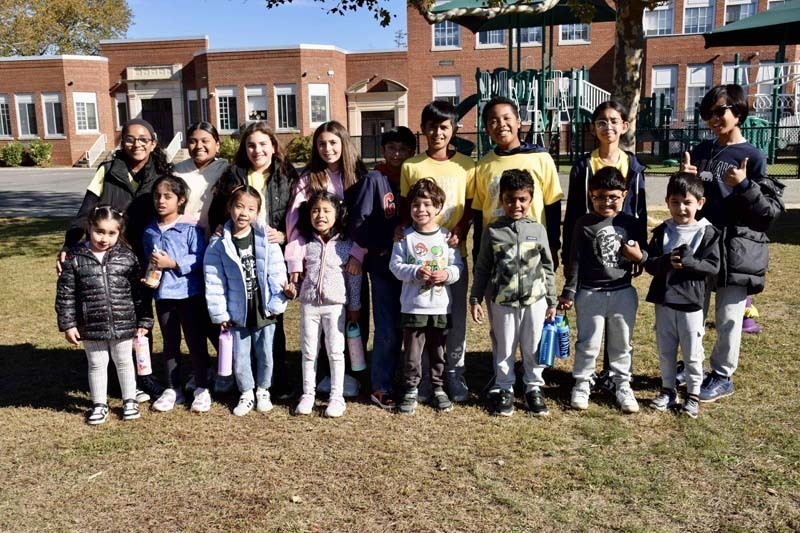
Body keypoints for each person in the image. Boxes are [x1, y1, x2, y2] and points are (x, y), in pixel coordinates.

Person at [56, 118, 172, 402]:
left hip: (149, 257)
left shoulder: (163, 173)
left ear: (153, 143)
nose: (137, 144)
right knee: (120, 316)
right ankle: (120, 381)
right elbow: (86, 211)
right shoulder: (107, 171)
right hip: (112, 258)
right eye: (130, 138)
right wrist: (68, 245)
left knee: (142, 319)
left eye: (143, 139)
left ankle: (143, 377)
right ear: (122, 142)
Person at [681, 84, 784, 402]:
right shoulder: (700, 151)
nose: (713, 119)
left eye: (719, 111)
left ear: (737, 112)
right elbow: (689, 199)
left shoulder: (753, 156)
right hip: (702, 242)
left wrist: (744, 185)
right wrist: (685, 179)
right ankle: (693, 364)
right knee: (693, 310)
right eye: (708, 113)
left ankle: (722, 375)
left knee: (727, 316)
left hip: (736, 247)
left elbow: (767, 213)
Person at [208, 121, 297, 398]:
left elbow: (297, 216)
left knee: (272, 318)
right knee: (242, 318)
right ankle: (243, 380)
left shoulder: (287, 175)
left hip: (272, 256)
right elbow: (217, 214)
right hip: (240, 253)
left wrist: (284, 236)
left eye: (262, 144)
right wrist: (222, 229)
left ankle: (273, 381)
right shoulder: (233, 175)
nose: (257, 150)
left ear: (273, 146)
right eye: (250, 145)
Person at [400, 100, 474, 402]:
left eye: (444, 126)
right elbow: (407, 208)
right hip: (419, 259)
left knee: (452, 321)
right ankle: (424, 380)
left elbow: (471, 206)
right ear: (423, 129)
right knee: (421, 322)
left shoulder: (467, 165)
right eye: (432, 126)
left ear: (453, 129)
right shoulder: (412, 166)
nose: (438, 132)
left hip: (452, 255)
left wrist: (461, 230)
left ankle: (454, 375)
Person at [558, 167, 647, 414]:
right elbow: (574, 261)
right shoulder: (583, 223)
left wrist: (639, 258)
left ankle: (622, 384)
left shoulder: (631, 223)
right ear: (590, 195)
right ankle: (582, 383)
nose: (605, 202)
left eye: (613, 197)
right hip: (590, 292)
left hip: (622, 291)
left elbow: (644, 253)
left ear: (625, 195)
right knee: (588, 342)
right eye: (598, 197)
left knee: (622, 343)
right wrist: (569, 292)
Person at [470, 169, 557, 417]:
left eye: (522, 199)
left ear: (530, 199)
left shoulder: (538, 229)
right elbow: (483, 267)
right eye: (510, 199)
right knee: (504, 346)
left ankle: (533, 388)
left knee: (532, 346)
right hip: (502, 301)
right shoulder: (493, 231)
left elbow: (548, 266)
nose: (516, 205)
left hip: (535, 300)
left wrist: (551, 298)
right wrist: (475, 298)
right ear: (501, 200)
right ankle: (504, 388)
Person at [55, 206, 153, 425]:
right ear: (89, 227)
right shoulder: (75, 258)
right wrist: (68, 324)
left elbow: (139, 294)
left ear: (119, 232)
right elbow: (66, 294)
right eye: (99, 231)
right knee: (97, 364)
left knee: (125, 361)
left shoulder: (127, 257)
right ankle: (99, 404)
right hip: (90, 323)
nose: (104, 238)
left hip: (123, 321)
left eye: (111, 233)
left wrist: (144, 319)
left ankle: (129, 400)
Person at [204, 186, 289, 416]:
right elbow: (214, 281)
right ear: (230, 208)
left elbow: (277, 272)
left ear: (257, 212)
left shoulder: (265, 239)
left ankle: (263, 389)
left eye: (251, 209)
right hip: (237, 312)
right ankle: (246, 391)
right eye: (239, 206)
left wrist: (278, 301)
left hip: (264, 310)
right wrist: (220, 314)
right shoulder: (219, 243)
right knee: (240, 356)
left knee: (266, 353)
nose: (244, 213)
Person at [349, 126, 415, 410]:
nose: (397, 154)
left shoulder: (414, 178)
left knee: (413, 326)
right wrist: (382, 243)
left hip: (414, 266)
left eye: (402, 148)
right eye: (391, 148)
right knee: (387, 327)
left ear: (411, 151)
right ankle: (381, 385)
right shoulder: (374, 180)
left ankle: (413, 381)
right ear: (383, 149)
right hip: (384, 266)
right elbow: (358, 224)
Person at [644, 173, 720, 418]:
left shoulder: (706, 232)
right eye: (675, 202)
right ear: (667, 201)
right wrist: (665, 261)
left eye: (687, 202)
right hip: (665, 302)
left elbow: (713, 267)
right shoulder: (663, 231)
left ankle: (694, 395)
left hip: (691, 304)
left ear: (700, 203)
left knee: (692, 352)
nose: (681, 208)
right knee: (666, 350)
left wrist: (691, 263)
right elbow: (651, 263)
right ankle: (668, 390)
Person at [285, 191, 362, 418]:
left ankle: (336, 397)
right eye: (316, 210)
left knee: (336, 352)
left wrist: (355, 306)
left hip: (336, 306)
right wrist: (293, 290)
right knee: (309, 351)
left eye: (327, 211)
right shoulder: (304, 244)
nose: (321, 215)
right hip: (309, 305)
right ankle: (308, 393)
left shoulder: (347, 246)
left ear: (338, 214)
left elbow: (354, 279)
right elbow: (298, 278)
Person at [390, 179, 463, 415]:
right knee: (412, 352)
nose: (421, 210)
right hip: (413, 306)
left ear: (438, 207)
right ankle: (411, 389)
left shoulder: (446, 238)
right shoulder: (405, 238)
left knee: (438, 349)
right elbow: (395, 266)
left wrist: (447, 274)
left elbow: (457, 266)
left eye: (426, 205)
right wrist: (414, 272)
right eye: (415, 205)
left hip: (440, 306)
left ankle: (438, 387)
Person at [142, 175, 211, 413]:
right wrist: (148, 276)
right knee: (170, 342)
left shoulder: (190, 227)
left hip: (189, 295)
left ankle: (202, 386)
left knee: (195, 341)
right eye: (157, 196)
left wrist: (173, 263)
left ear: (180, 200)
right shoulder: (150, 229)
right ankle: (173, 388)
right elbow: (147, 259)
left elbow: (199, 257)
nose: (161, 201)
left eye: (168, 196)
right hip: (163, 296)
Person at [473, 97, 562, 266]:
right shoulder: (483, 164)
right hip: (496, 250)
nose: (501, 124)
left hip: (532, 247)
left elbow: (553, 206)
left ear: (518, 122)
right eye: (493, 121)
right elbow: (479, 213)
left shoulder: (540, 157)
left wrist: (552, 245)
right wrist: (478, 250)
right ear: (486, 129)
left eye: (507, 118)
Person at [174, 121, 229, 235]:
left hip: (216, 236)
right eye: (193, 141)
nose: (199, 146)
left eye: (205, 141)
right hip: (182, 236)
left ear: (217, 145)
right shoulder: (176, 171)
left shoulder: (226, 171)